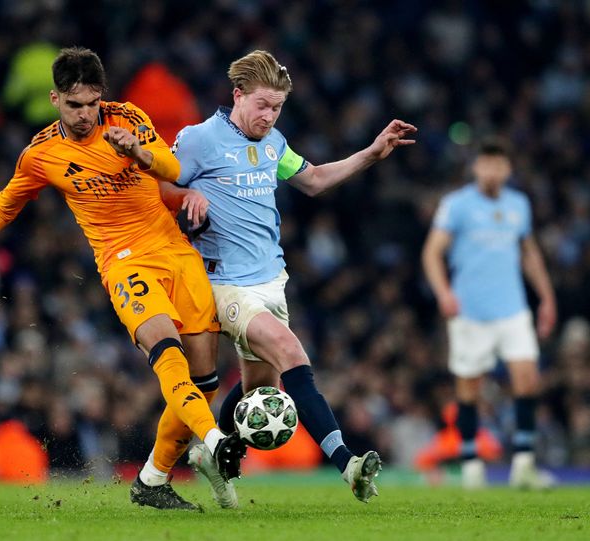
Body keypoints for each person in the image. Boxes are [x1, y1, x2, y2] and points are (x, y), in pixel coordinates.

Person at [0, 46, 245, 509]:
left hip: (176, 254)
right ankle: (212, 438)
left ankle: (152, 480)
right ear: (54, 99)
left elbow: (171, 170)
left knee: (205, 383)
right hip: (124, 262)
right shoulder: (43, 153)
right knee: (167, 353)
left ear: (101, 96)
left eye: (91, 103)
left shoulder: (128, 117)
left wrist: (139, 152)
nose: (85, 114)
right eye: (74, 105)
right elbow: (4, 205)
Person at [156, 50, 417, 508]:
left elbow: (313, 180)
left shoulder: (273, 142)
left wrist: (372, 154)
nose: (268, 115)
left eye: (276, 107)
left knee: (259, 389)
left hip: (271, 281)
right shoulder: (199, 139)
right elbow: (158, 185)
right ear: (237, 95)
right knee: (292, 351)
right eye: (261, 104)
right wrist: (187, 195)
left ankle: (212, 456)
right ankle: (347, 462)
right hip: (225, 285)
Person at [421, 138, 557, 489]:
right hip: (470, 311)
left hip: (512, 308)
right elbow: (432, 253)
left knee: (527, 377)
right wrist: (444, 292)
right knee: (469, 388)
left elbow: (529, 253)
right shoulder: (457, 205)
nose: (492, 170)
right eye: (486, 164)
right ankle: (470, 465)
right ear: (476, 167)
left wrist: (546, 297)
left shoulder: (519, 205)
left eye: (498, 164)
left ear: (507, 169)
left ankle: (524, 466)